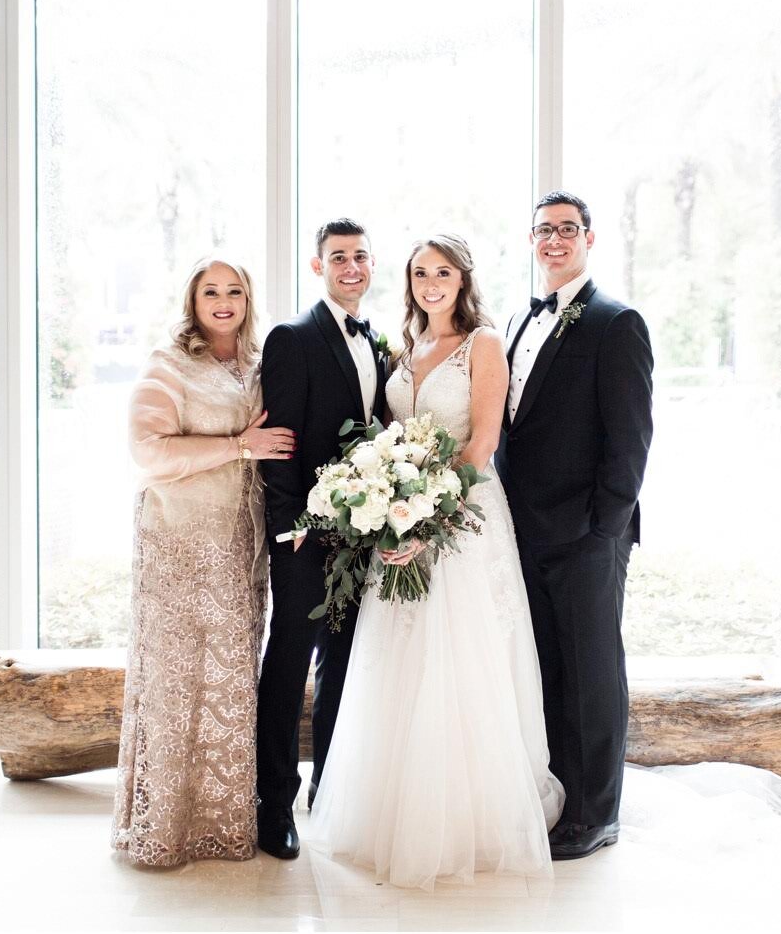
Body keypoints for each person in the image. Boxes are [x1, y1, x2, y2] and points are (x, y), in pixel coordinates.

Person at [308, 234, 564, 890]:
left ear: (462, 278)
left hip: (465, 519)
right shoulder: (405, 347)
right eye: (420, 272)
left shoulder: (482, 344)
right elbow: (390, 437)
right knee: (400, 658)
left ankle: (467, 820)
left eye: (442, 271)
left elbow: (481, 443)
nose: (430, 282)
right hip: (400, 519)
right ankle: (391, 810)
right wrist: (388, 503)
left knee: (463, 657)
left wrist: (429, 520)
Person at [112, 256, 296, 868]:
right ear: (192, 301)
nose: (223, 301)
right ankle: (165, 827)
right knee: (175, 678)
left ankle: (220, 819)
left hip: (239, 548)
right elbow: (146, 449)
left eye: (234, 290)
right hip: (180, 542)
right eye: (210, 291)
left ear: (248, 299)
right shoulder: (169, 365)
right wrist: (239, 446)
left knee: (230, 680)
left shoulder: (254, 366)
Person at [495, 191, 654, 860]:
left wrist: (604, 528)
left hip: (588, 535)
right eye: (543, 231)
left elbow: (632, 438)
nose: (554, 241)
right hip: (524, 531)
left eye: (566, 230)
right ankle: (564, 799)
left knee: (593, 672)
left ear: (589, 238)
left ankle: (599, 813)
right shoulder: (515, 320)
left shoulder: (616, 322)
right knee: (550, 670)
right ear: (531, 242)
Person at [255, 218, 390, 861]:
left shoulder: (380, 344)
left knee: (342, 662)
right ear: (318, 267)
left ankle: (328, 787)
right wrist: (291, 531)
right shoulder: (292, 338)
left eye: (361, 256)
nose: (352, 267)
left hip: (360, 536)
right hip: (305, 538)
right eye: (339, 257)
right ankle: (272, 805)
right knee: (288, 662)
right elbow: (278, 450)